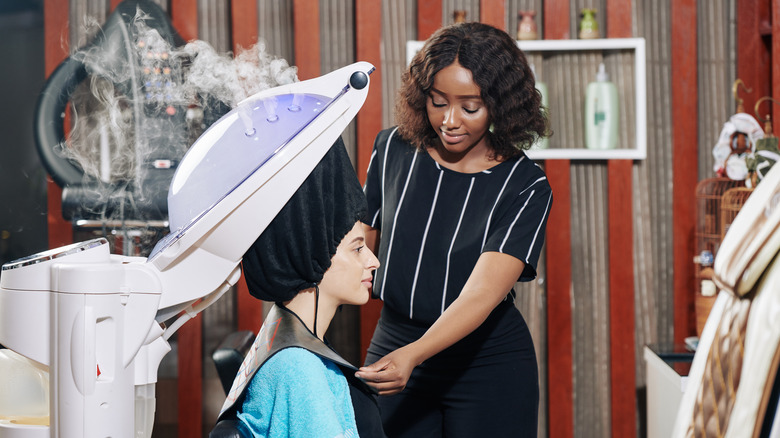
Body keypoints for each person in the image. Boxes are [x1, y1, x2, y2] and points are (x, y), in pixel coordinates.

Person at [355, 22, 552, 437]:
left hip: (487, 363)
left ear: (500, 105)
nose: (449, 120)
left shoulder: (526, 184)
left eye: (470, 107)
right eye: (438, 101)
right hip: (395, 341)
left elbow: (481, 295)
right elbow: (358, 242)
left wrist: (416, 354)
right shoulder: (392, 149)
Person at [212, 139, 386, 438]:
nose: (374, 261)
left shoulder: (289, 338)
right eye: (357, 249)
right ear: (311, 257)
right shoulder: (298, 369)